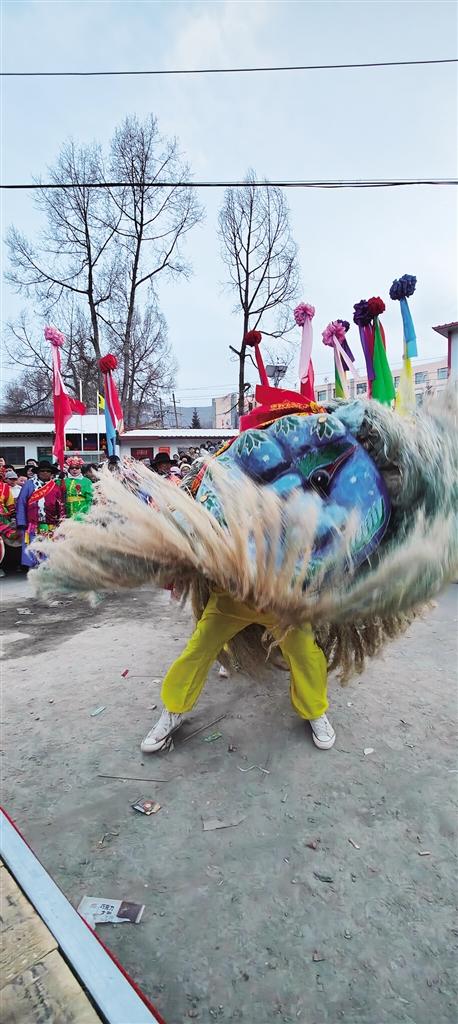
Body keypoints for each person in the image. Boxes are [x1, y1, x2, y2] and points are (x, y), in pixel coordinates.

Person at [15, 461, 65, 568]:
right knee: (34, 544)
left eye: (48, 471)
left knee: (48, 544)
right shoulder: (29, 484)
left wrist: (61, 521)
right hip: (33, 523)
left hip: (50, 522)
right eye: (42, 471)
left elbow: (60, 505)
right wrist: (21, 522)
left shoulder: (55, 487)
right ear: (38, 472)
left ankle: (47, 565)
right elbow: (21, 503)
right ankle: (34, 565)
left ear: (51, 473)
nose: (45, 473)